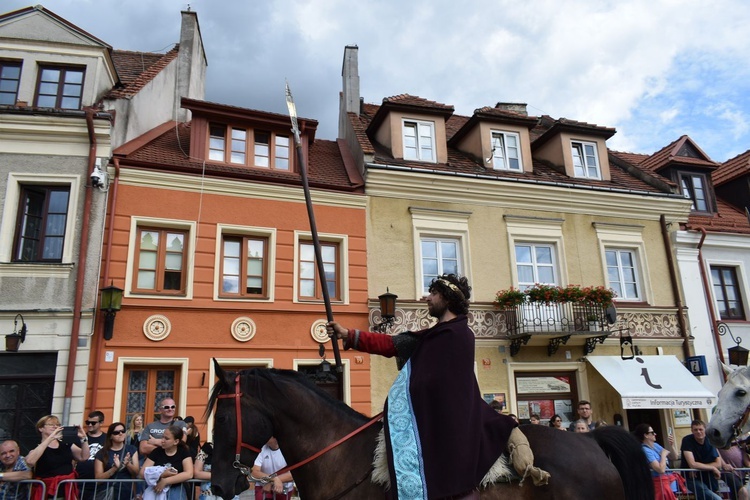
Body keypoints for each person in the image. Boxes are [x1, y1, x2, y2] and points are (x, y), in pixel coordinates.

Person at [327, 274, 529, 499]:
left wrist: (414, 392)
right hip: (431, 416)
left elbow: (449, 388)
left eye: (433, 294)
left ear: (448, 298)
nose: (427, 298)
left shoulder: (460, 335)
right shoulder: (432, 336)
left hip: (451, 423)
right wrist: (349, 335)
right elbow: (391, 344)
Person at [25, 415, 90, 499]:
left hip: (66, 490)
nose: (55, 426)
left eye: (57, 424)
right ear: (41, 428)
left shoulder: (66, 445)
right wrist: (49, 439)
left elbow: (84, 457)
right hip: (47, 491)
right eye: (51, 424)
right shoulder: (38, 448)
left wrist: (84, 438)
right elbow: (30, 461)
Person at [681, 419, 743, 500]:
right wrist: (712, 467)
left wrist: (699, 467)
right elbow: (692, 464)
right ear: (692, 431)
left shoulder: (709, 440)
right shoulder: (687, 440)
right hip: (691, 478)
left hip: (709, 477)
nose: (698, 432)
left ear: (705, 430)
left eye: (700, 429)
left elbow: (718, 463)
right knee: (716, 498)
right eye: (695, 430)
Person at [140, 425, 193, 500]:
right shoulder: (156, 452)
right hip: (157, 489)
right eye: (163, 437)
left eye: (166, 438)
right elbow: (142, 472)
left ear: (176, 441)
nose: (162, 440)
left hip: (176, 490)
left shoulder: (183, 452)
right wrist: (161, 474)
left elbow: (189, 473)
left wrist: (166, 481)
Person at [635, 423, 681, 500]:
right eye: (652, 432)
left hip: (668, 481)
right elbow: (660, 469)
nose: (655, 434)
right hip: (659, 483)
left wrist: (671, 445)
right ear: (645, 435)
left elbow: (674, 457)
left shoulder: (655, 445)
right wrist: (663, 455)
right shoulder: (645, 450)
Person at [95, 422, 140, 500]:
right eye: (116, 432)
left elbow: (136, 473)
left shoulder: (132, 449)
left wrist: (128, 464)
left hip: (126, 492)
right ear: (110, 436)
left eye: (123, 431)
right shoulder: (102, 453)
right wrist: (114, 468)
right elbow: (98, 479)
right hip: (108, 492)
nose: (120, 434)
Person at [79, 410, 108, 500]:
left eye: (93, 423)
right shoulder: (81, 437)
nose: (90, 425)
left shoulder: (107, 439)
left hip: (99, 483)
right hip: (81, 481)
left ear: (101, 423)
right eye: (88, 422)